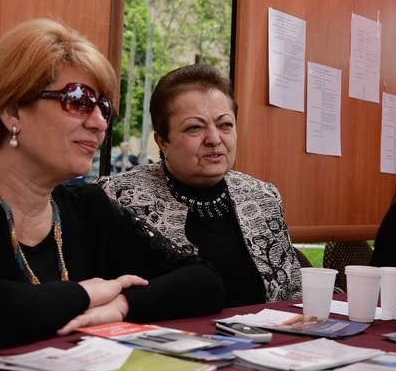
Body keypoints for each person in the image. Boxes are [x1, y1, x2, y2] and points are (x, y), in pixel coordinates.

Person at [0, 19, 225, 353]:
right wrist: (87, 293)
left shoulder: (89, 207)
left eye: (103, 107)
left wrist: (123, 304)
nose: (99, 123)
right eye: (78, 100)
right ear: (12, 111)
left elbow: (204, 280)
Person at [101, 64, 301, 307]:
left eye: (225, 125)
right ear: (162, 141)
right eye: (194, 127)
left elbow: (293, 295)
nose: (214, 139)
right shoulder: (119, 197)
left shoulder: (263, 197)